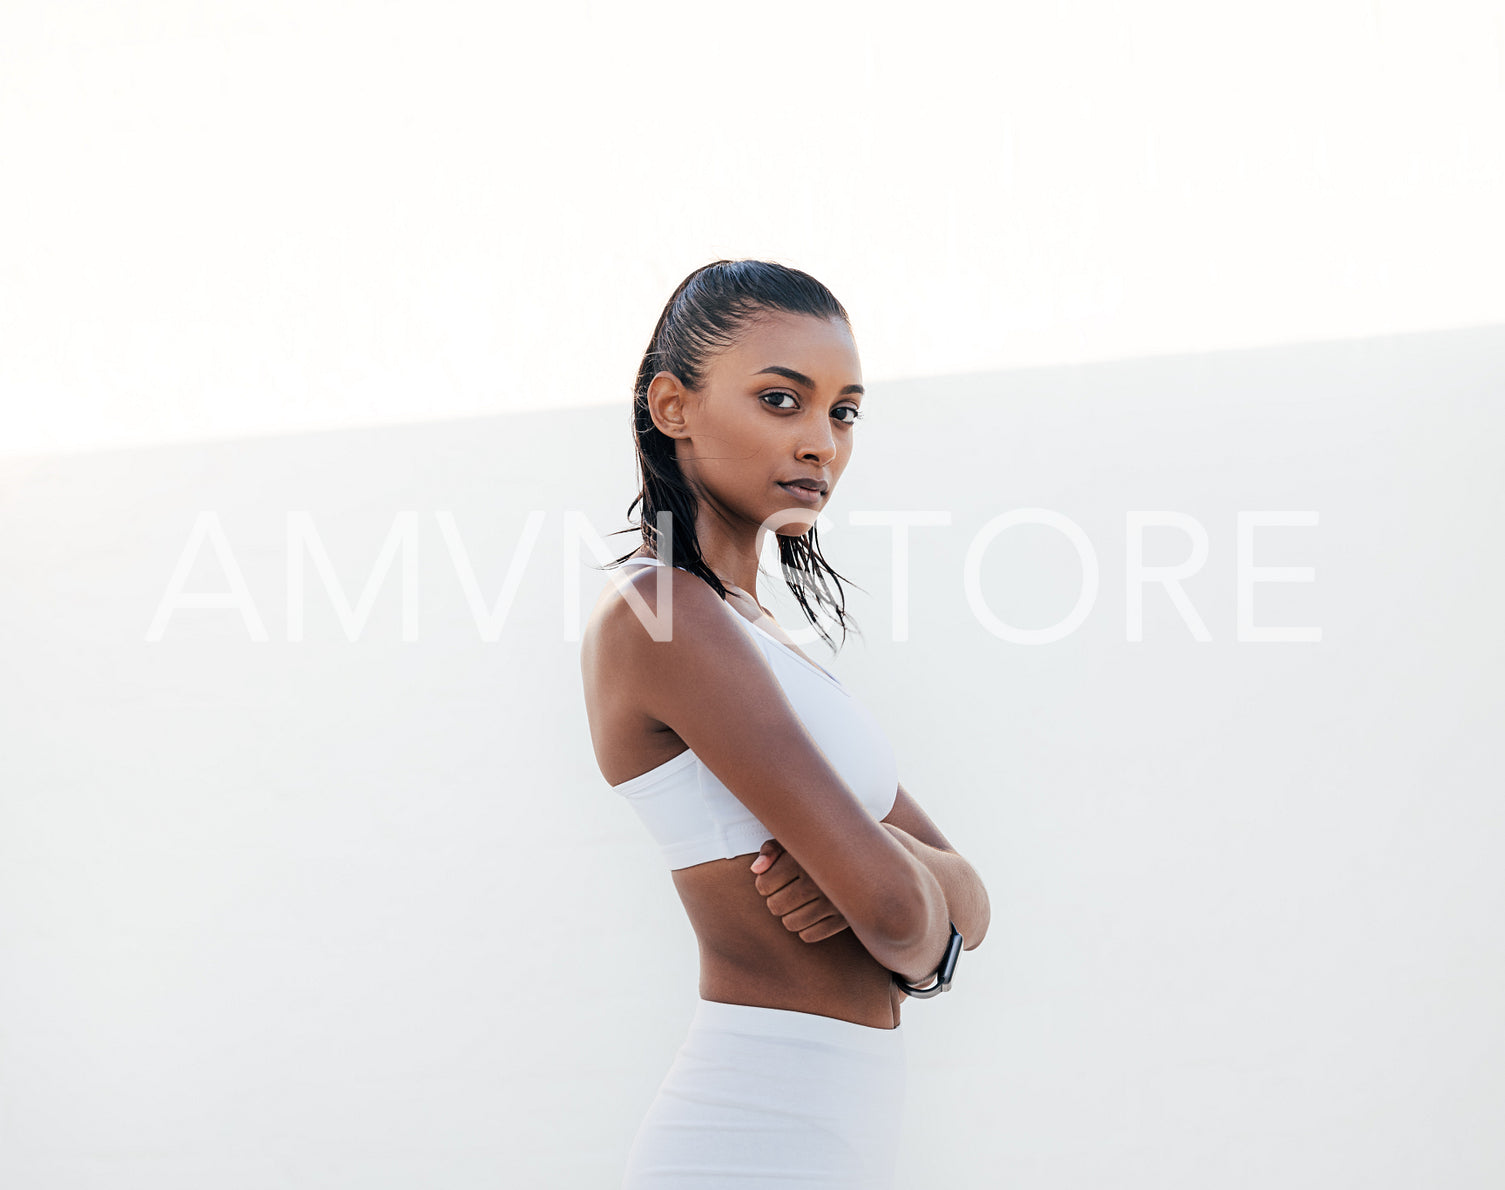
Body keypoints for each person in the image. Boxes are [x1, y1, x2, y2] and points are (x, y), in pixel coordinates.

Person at [580, 259, 990, 1188]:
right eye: (780, 400)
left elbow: (964, 904)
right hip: (753, 1126)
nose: (821, 443)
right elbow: (895, 921)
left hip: (836, 1123)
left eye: (842, 412)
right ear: (673, 407)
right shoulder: (663, 612)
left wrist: (893, 866)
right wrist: (897, 888)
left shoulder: (761, 636)